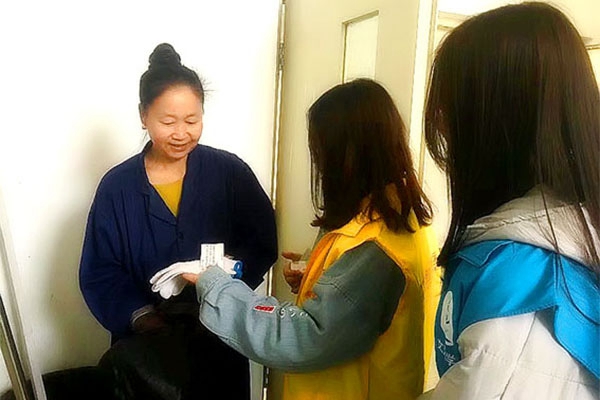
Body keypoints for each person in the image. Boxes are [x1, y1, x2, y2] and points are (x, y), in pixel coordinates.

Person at [175, 78, 441, 400]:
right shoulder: (405, 219)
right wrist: (319, 278)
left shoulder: (376, 251)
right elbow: (361, 308)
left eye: (320, 150)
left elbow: (305, 336)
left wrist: (215, 285)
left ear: (347, 156)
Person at [79, 43, 277, 400]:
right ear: (143, 115)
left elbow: (262, 240)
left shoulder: (229, 173)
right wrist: (141, 316)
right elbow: (100, 270)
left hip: (220, 338)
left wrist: (229, 275)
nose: (181, 133)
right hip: (146, 352)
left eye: (192, 120)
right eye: (168, 122)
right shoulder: (117, 188)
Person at [420, 3, 599, 399]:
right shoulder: (551, 243)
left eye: (452, 110)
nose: (444, 128)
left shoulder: (525, 292)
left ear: (493, 125)